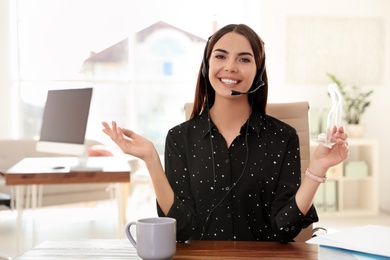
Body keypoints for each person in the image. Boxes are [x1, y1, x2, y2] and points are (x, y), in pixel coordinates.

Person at [102, 24, 349, 243]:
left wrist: (318, 167)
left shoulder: (283, 137)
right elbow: (182, 230)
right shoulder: (179, 138)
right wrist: (150, 159)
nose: (230, 67)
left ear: (258, 71)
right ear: (207, 66)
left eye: (244, 59)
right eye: (221, 56)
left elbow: (283, 230)